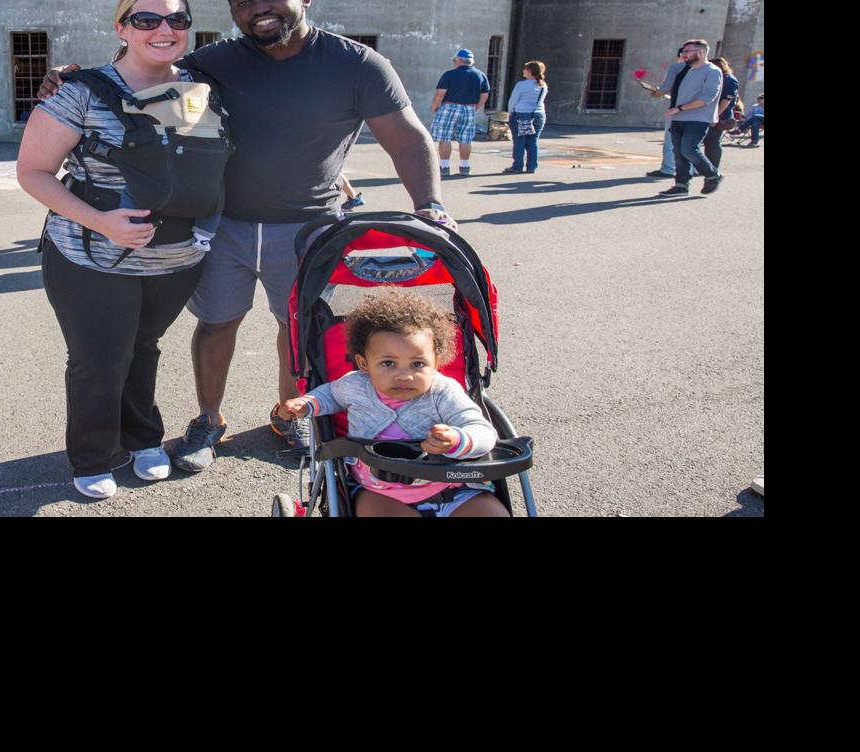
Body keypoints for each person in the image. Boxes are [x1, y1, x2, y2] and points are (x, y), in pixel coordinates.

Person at [40, 0, 450, 475]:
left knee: (294, 329)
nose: (258, 8)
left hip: (308, 227)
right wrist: (72, 76)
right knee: (216, 323)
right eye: (241, 1)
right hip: (221, 224)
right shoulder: (214, 62)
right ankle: (208, 420)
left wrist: (430, 207)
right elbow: (143, 66)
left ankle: (289, 414)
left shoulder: (356, 65)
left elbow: (406, 137)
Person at [18, 0, 210, 500]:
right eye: (146, 20)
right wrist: (101, 221)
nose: (163, 29)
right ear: (122, 28)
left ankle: (142, 437)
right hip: (90, 254)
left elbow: (185, 164)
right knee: (98, 359)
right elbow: (32, 171)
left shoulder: (198, 88)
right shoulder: (81, 91)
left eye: (176, 19)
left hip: (176, 258)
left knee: (142, 348)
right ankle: (93, 455)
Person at [273, 289, 507, 518]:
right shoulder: (355, 386)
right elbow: (329, 396)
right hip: (379, 491)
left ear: (436, 363)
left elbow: (483, 431)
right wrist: (306, 404)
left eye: (417, 364)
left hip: (452, 488)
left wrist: (458, 440)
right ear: (364, 363)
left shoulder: (443, 392)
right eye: (388, 363)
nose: (404, 376)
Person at [657, 39, 724, 197]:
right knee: (679, 153)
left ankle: (713, 175)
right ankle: (681, 185)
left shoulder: (712, 71)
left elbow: (707, 97)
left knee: (689, 149)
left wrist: (679, 108)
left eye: (687, 52)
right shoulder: (689, 70)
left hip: (698, 118)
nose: (684, 55)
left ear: (700, 52)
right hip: (679, 118)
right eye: (684, 52)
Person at [429, 48, 490, 177]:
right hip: (469, 108)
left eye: (454, 60)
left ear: (459, 60)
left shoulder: (449, 74)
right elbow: (484, 96)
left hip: (449, 106)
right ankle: (464, 166)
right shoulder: (480, 75)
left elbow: (440, 94)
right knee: (465, 139)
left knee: (444, 137)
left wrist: (434, 107)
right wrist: (475, 108)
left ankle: (444, 167)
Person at [502, 60, 547, 174]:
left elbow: (513, 100)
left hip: (521, 114)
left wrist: (510, 112)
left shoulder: (522, 85)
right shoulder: (543, 85)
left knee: (519, 141)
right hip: (538, 114)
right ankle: (531, 166)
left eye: (525, 69)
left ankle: (517, 166)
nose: (523, 70)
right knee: (533, 141)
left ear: (530, 71)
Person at [644, 48, 684, 179]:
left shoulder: (678, 68)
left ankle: (668, 169)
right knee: (690, 144)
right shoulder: (705, 70)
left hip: (678, 110)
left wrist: (657, 92)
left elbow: (665, 88)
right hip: (694, 112)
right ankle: (692, 170)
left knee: (671, 141)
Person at [701, 56, 740, 173]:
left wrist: (715, 116)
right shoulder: (720, 78)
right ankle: (708, 167)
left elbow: (726, 100)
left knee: (713, 142)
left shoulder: (729, 79)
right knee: (708, 141)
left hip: (720, 116)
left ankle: (712, 168)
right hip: (712, 114)